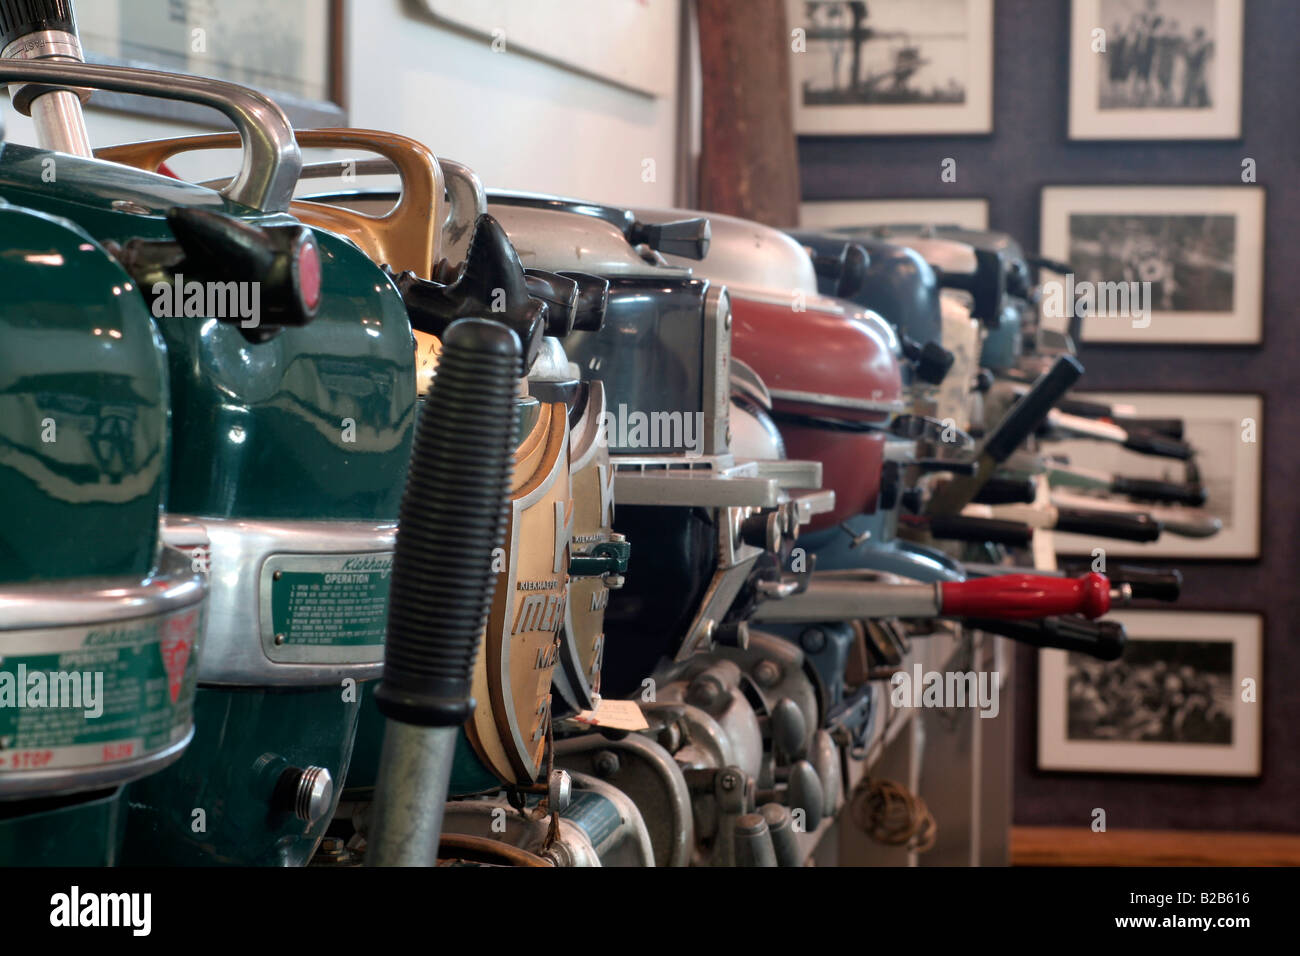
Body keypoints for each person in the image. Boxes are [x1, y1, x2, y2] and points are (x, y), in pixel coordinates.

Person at [1182, 26, 1213, 108]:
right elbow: (1187, 57)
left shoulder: (1203, 47)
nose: (1195, 37)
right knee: (1189, 87)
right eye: (1195, 35)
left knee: (1200, 87)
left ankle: (1202, 103)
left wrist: (1203, 72)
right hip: (1191, 70)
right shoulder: (1191, 45)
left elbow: (1205, 60)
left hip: (1198, 70)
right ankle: (1188, 103)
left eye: (1198, 35)